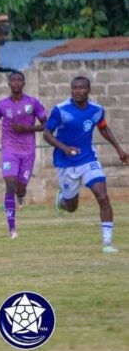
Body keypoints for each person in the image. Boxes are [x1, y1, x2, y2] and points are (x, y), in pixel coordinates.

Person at [43, 76, 128, 253]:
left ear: (88, 90)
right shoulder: (60, 110)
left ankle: (107, 243)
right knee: (71, 207)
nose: (77, 91)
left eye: (81, 88)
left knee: (102, 196)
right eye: (74, 88)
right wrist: (64, 148)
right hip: (65, 163)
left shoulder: (97, 110)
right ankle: (61, 200)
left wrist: (119, 149)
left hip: (88, 159)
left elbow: (103, 127)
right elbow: (47, 134)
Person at [0, 71, 47, 238]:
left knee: (20, 187)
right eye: (13, 80)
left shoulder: (33, 103)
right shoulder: (1, 105)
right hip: (9, 150)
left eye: (19, 80)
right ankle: (12, 228)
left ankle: (21, 196)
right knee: (10, 184)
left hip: (28, 151)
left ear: (24, 83)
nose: (16, 83)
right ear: (8, 83)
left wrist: (27, 128)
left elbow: (46, 124)